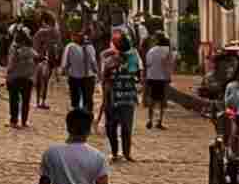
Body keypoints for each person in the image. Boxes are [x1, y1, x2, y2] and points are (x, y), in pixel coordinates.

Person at [101, 30, 141, 161]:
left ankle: (124, 153)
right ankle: (116, 152)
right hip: (115, 96)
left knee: (123, 127)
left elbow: (138, 74)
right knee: (113, 127)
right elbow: (105, 78)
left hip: (124, 97)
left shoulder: (133, 57)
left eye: (116, 42)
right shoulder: (109, 57)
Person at [62, 26, 97, 124]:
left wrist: (64, 71)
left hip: (83, 77)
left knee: (85, 99)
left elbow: (93, 62)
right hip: (78, 77)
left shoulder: (75, 47)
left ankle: (85, 118)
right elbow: (94, 63)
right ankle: (79, 118)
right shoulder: (72, 46)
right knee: (79, 99)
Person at [4, 23, 37, 128]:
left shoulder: (14, 48)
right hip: (28, 78)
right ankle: (24, 121)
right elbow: (37, 59)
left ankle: (14, 121)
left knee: (14, 100)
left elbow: (11, 64)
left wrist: (8, 75)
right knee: (26, 101)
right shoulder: (31, 50)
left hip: (15, 77)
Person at [142, 26, 174, 128]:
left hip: (151, 77)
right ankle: (159, 121)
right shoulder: (168, 51)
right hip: (163, 78)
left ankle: (149, 120)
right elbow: (169, 65)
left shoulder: (151, 51)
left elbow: (148, 64)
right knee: (162, 100)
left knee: (151, 99)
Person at [32, 19, 56, 109]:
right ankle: (40, 101)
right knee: (41, 82)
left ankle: (40, 101)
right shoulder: (41, 35)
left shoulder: (47, 36)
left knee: (42, 82)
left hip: (44, 62)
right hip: (41, 62)